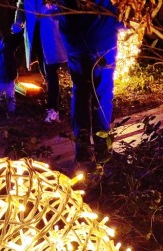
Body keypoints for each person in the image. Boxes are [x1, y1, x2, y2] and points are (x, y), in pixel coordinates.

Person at [53, 0, 119, 170]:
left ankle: (82, 151)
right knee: (102, 94)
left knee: (80, 93)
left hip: (75, 39)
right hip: (102, 37)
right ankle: (102, 150)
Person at [14, 0, 68, 123]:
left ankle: (53, 108)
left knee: (50, 69)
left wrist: (54, 7)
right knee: (44, 69)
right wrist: (18, 21)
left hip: (51, 33)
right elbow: (21, 5)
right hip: (35, 32)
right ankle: (54, 101)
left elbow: (65, 7)